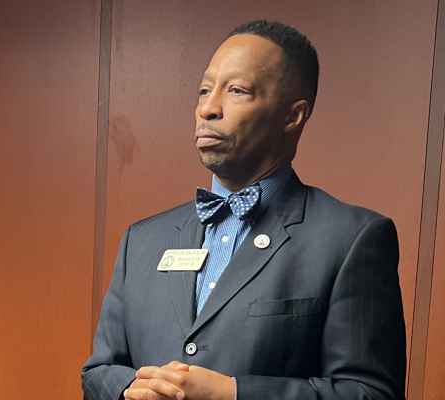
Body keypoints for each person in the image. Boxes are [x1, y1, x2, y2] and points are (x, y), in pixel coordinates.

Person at [82, 20, 405, 400]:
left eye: (236, 91)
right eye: (204, 90)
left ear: (292, 116)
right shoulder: (141, 240)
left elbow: (371, 393)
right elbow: (98, 372)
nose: (208, 108)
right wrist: (129, 389)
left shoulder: (352, 239)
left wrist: (233, 393)